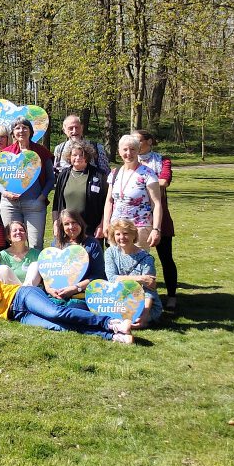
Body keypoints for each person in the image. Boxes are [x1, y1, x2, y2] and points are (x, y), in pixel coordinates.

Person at [0, 267, 135, 343]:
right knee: (57, 327)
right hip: (17, 315)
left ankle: (110, 322)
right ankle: (111, 336)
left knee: (56, 313)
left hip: (21, 296)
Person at [135, 129, 179, 312]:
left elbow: (164, 181)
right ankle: (136, 294)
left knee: (166, 258)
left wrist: (141, 182)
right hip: (137, 217)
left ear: (150, 141)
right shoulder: (131, 161)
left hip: (159, 217)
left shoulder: (162, 160)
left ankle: (171, 296)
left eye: (139, 141)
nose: (135, 145)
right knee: (135, 258)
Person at [25, 209, 106, 300]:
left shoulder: (92, 244)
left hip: (82, 295)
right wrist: (49, 289)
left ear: (80, 223)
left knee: (66, 312)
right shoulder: (56, 244)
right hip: (56, 294)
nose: (71, 227)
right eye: (66, 224)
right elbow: (47, 270)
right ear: (62, 227)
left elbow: (98, 275)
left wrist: (76, 288)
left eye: (74, 222)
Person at [0, 117, 54, 249]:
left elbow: (51, 178)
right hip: (10, 205)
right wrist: (5, 193)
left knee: (36, 245)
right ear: (13, 132)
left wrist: (41, 197)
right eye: (17, 128)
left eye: (25, 127)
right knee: (13, 243)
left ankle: (35, 270)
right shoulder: (6, 153)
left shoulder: (41, 152)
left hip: (34, 205)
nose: (21, 130)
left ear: (30, 131)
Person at [102, 134, 164, 249]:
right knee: (116, 265)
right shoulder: (114, 173)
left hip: (139, 229)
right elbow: (109, 201)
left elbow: (156, 203)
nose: (128, 153)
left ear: (138, 151)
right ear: (119, 151)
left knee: (137, 265)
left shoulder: (148, 174)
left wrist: (156, 229)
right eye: (125, 149)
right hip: (116, 229)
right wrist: (106, 223)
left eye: (132, 149)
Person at [105, 218, 162, 327]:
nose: (122, 238)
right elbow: (111, 278)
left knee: (132, 320)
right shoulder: (110, 253)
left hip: (142, 303)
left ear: (133, 235)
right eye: (118, 234)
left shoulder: (147, 258)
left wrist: (144, 316)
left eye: (126, 233)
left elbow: (149, 290)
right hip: (118, 298)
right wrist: (140, 278)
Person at [52, 139, 108, 240]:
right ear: (69, 157)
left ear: (87, 156)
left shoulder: (99, 175)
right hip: (68, 229)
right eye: (74, 155)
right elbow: (56, 203)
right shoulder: (63, 175)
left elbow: (106, 204)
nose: (78, 158)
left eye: (81, 155)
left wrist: (102, 225)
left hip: (91, 230)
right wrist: (56, 224)